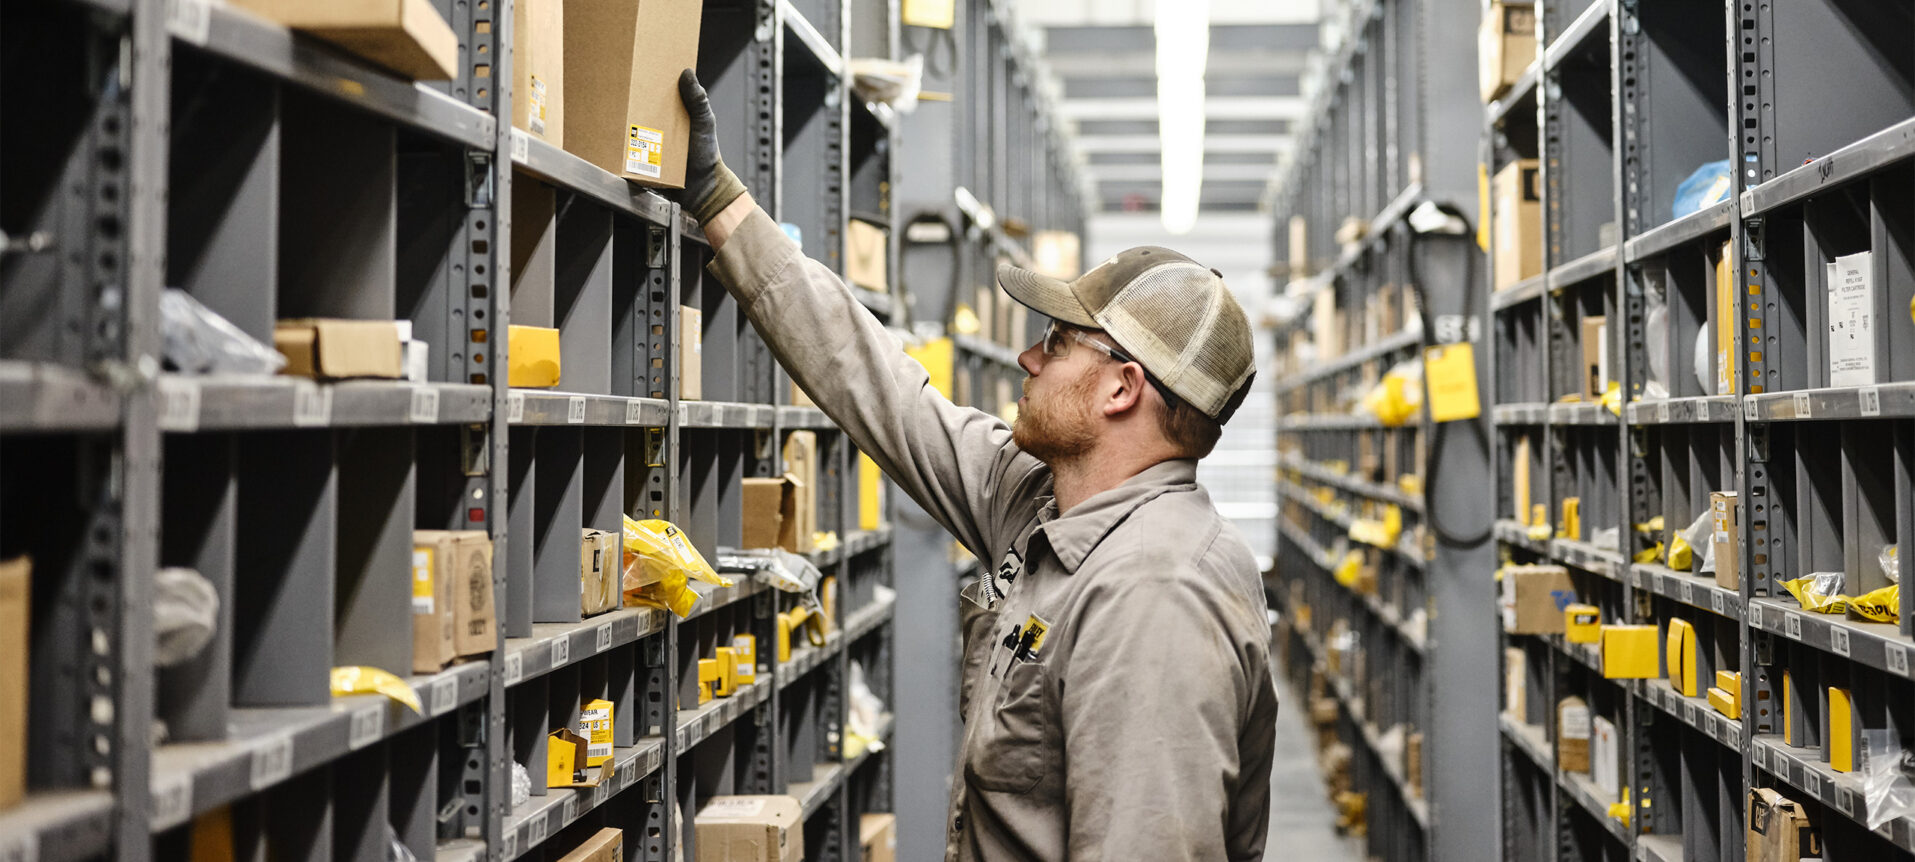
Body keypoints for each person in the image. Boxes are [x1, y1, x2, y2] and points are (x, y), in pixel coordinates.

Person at [677, 69, 1277, 861]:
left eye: (1058, 344)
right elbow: (886, 394)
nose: (1028, 357)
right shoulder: (1044, 503)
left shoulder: (1154, 598)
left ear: (1121, 389)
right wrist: (722, 205)